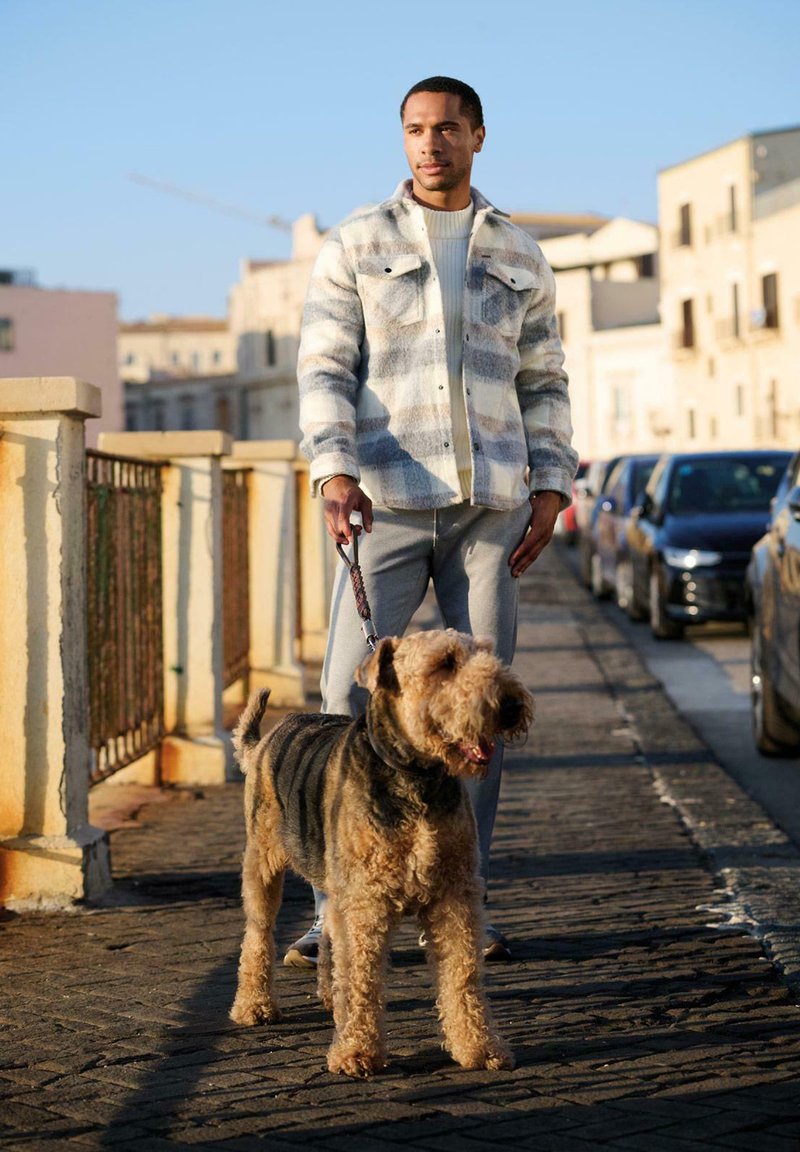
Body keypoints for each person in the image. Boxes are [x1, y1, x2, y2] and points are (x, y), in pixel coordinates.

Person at [289, 75, 578, 967]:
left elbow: (545, 379)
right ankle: (336, 910)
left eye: (447, 128)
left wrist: (552, 485)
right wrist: (335, 470)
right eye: (415, 129)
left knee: (480, 711)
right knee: (346, 699)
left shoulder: (520, 252)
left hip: (491, 506)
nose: (430, 143)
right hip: (383, 500)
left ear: (477, 136)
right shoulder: (355, 242)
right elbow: (325, 367)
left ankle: (462, 907)